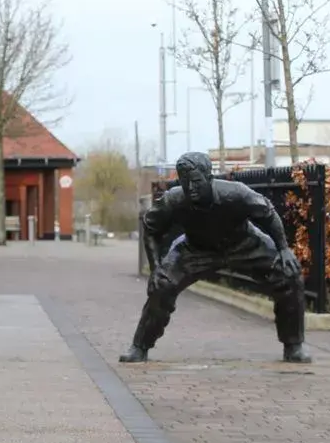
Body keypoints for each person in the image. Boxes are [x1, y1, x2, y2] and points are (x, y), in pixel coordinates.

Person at [121, 151, 313, 364]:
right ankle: (139, 346)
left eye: (196, 182)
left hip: (245, 244)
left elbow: (268, 214)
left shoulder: (236, 193)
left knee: (288, 274)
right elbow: (150, 229)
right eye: (186, 183)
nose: (191, 189)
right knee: (162, 285)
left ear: (209, 178)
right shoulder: (174, 199)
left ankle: (294, 345)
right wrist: (156, 267)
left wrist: (284, 249)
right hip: (195, 249)